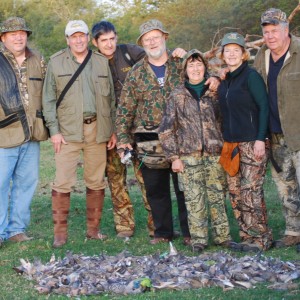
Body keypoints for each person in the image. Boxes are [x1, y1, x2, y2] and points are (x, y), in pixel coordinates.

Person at [115, 19, 218, 245]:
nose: (152, 42)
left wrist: (215, 78)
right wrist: (123, 139)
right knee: (156, 190)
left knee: (186, 188)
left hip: (183, 137)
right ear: (142, 44)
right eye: (147, 39)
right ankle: (163, 232)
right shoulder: (136, 73)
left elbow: (207, 73)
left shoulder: (181, 63)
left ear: (165, 38)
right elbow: (125, 108)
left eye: (156, 37)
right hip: (149, 140)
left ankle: (191, 231)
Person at [42, 20, 116, 248]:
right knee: (63, 182)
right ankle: (60, 235)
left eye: (82, 35)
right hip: (67, 131)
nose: (78, 40)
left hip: (97, 129)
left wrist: (112, 129)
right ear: (67, 39)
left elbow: (111, 100)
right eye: (73, 36)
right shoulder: (56, 62)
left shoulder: (102, 62)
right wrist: (54, 131)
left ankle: (93, 231)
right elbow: (48, 99)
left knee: (96, 180)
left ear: (88, 37)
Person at [158, 49, 233, 252]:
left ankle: (223, 237)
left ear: (205, 68)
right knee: (193, 199)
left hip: (215, 153)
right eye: (191, 65)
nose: (195, 69)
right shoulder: (177, 95)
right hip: (188, 156)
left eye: (199, 64)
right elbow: (166, 130)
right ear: (185, 70)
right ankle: (199, 239)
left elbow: (227, 120)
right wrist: (174, 157)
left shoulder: (217, 92)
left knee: (217, 196)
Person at [91, 20, 154, 238]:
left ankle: (156, 223)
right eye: (103, 40)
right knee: (116, 178)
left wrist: (178, 53)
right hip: (111, 131)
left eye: (111, 39)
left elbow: (156, 57)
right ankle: (124, 225)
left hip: (138, 127)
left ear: (116, 38)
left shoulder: (129, 52)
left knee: (146, 175)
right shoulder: (92, 62)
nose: (109, 44)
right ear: (95, 42)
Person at [218, 32, 273, 252]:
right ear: (222, 55)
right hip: (230, 145)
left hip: (252, 142)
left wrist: (261, 138)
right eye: (227, 51)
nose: (231, 54)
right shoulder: (225, 80)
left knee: (252, 192)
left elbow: (264, 107)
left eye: (236, 50)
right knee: (236, 193)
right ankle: (246, 236)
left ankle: (261, 238)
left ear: (243, 54)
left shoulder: (251, 76)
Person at [254, 8, 300, 250]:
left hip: (298, 132)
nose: (270, 36)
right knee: (286, 186)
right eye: (266, 31)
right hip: (275, 134)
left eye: (274, 30)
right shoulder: (261, 56)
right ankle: (293, 231)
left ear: (286, 30)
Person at [0, 17, 48, 247]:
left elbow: (49, 92)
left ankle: (16, 229)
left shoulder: (37, 59)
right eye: (12, 34)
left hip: (32, 133)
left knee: (26, 183)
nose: (19, 37)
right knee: (0, 184)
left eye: (22, 33)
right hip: (4, 134)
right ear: (3, 38)